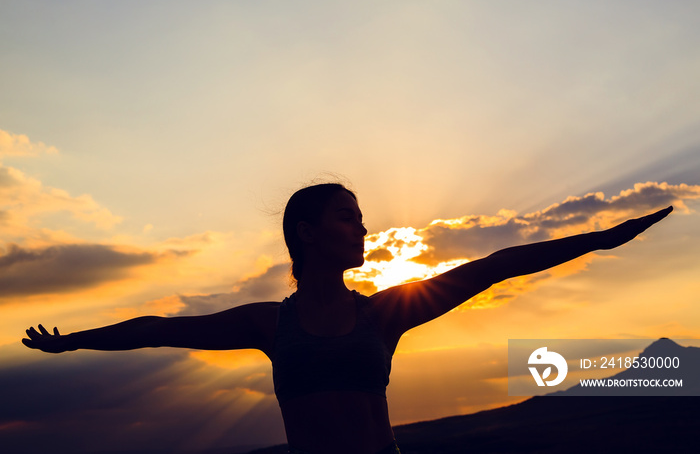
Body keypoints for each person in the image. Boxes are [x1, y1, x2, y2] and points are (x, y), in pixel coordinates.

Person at [23, 183, 673, 454]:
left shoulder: (386, 314)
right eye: (347, 217)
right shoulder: (266, 324)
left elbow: (495, 264)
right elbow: (160, 327)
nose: (362, 227)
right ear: (306, 233)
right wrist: (73, 343)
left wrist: (600, 238)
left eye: (362, 218)